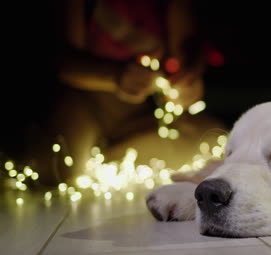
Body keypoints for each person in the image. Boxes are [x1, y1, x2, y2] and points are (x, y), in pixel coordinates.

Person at [32, 0, 221, 185]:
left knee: (214, 144)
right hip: (83, 105)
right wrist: (116, 75)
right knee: (64, 171)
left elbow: (189, 46)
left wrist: (188, 77)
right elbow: (61, 60)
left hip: (143, 112)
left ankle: (112, 161)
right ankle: (104, 160)